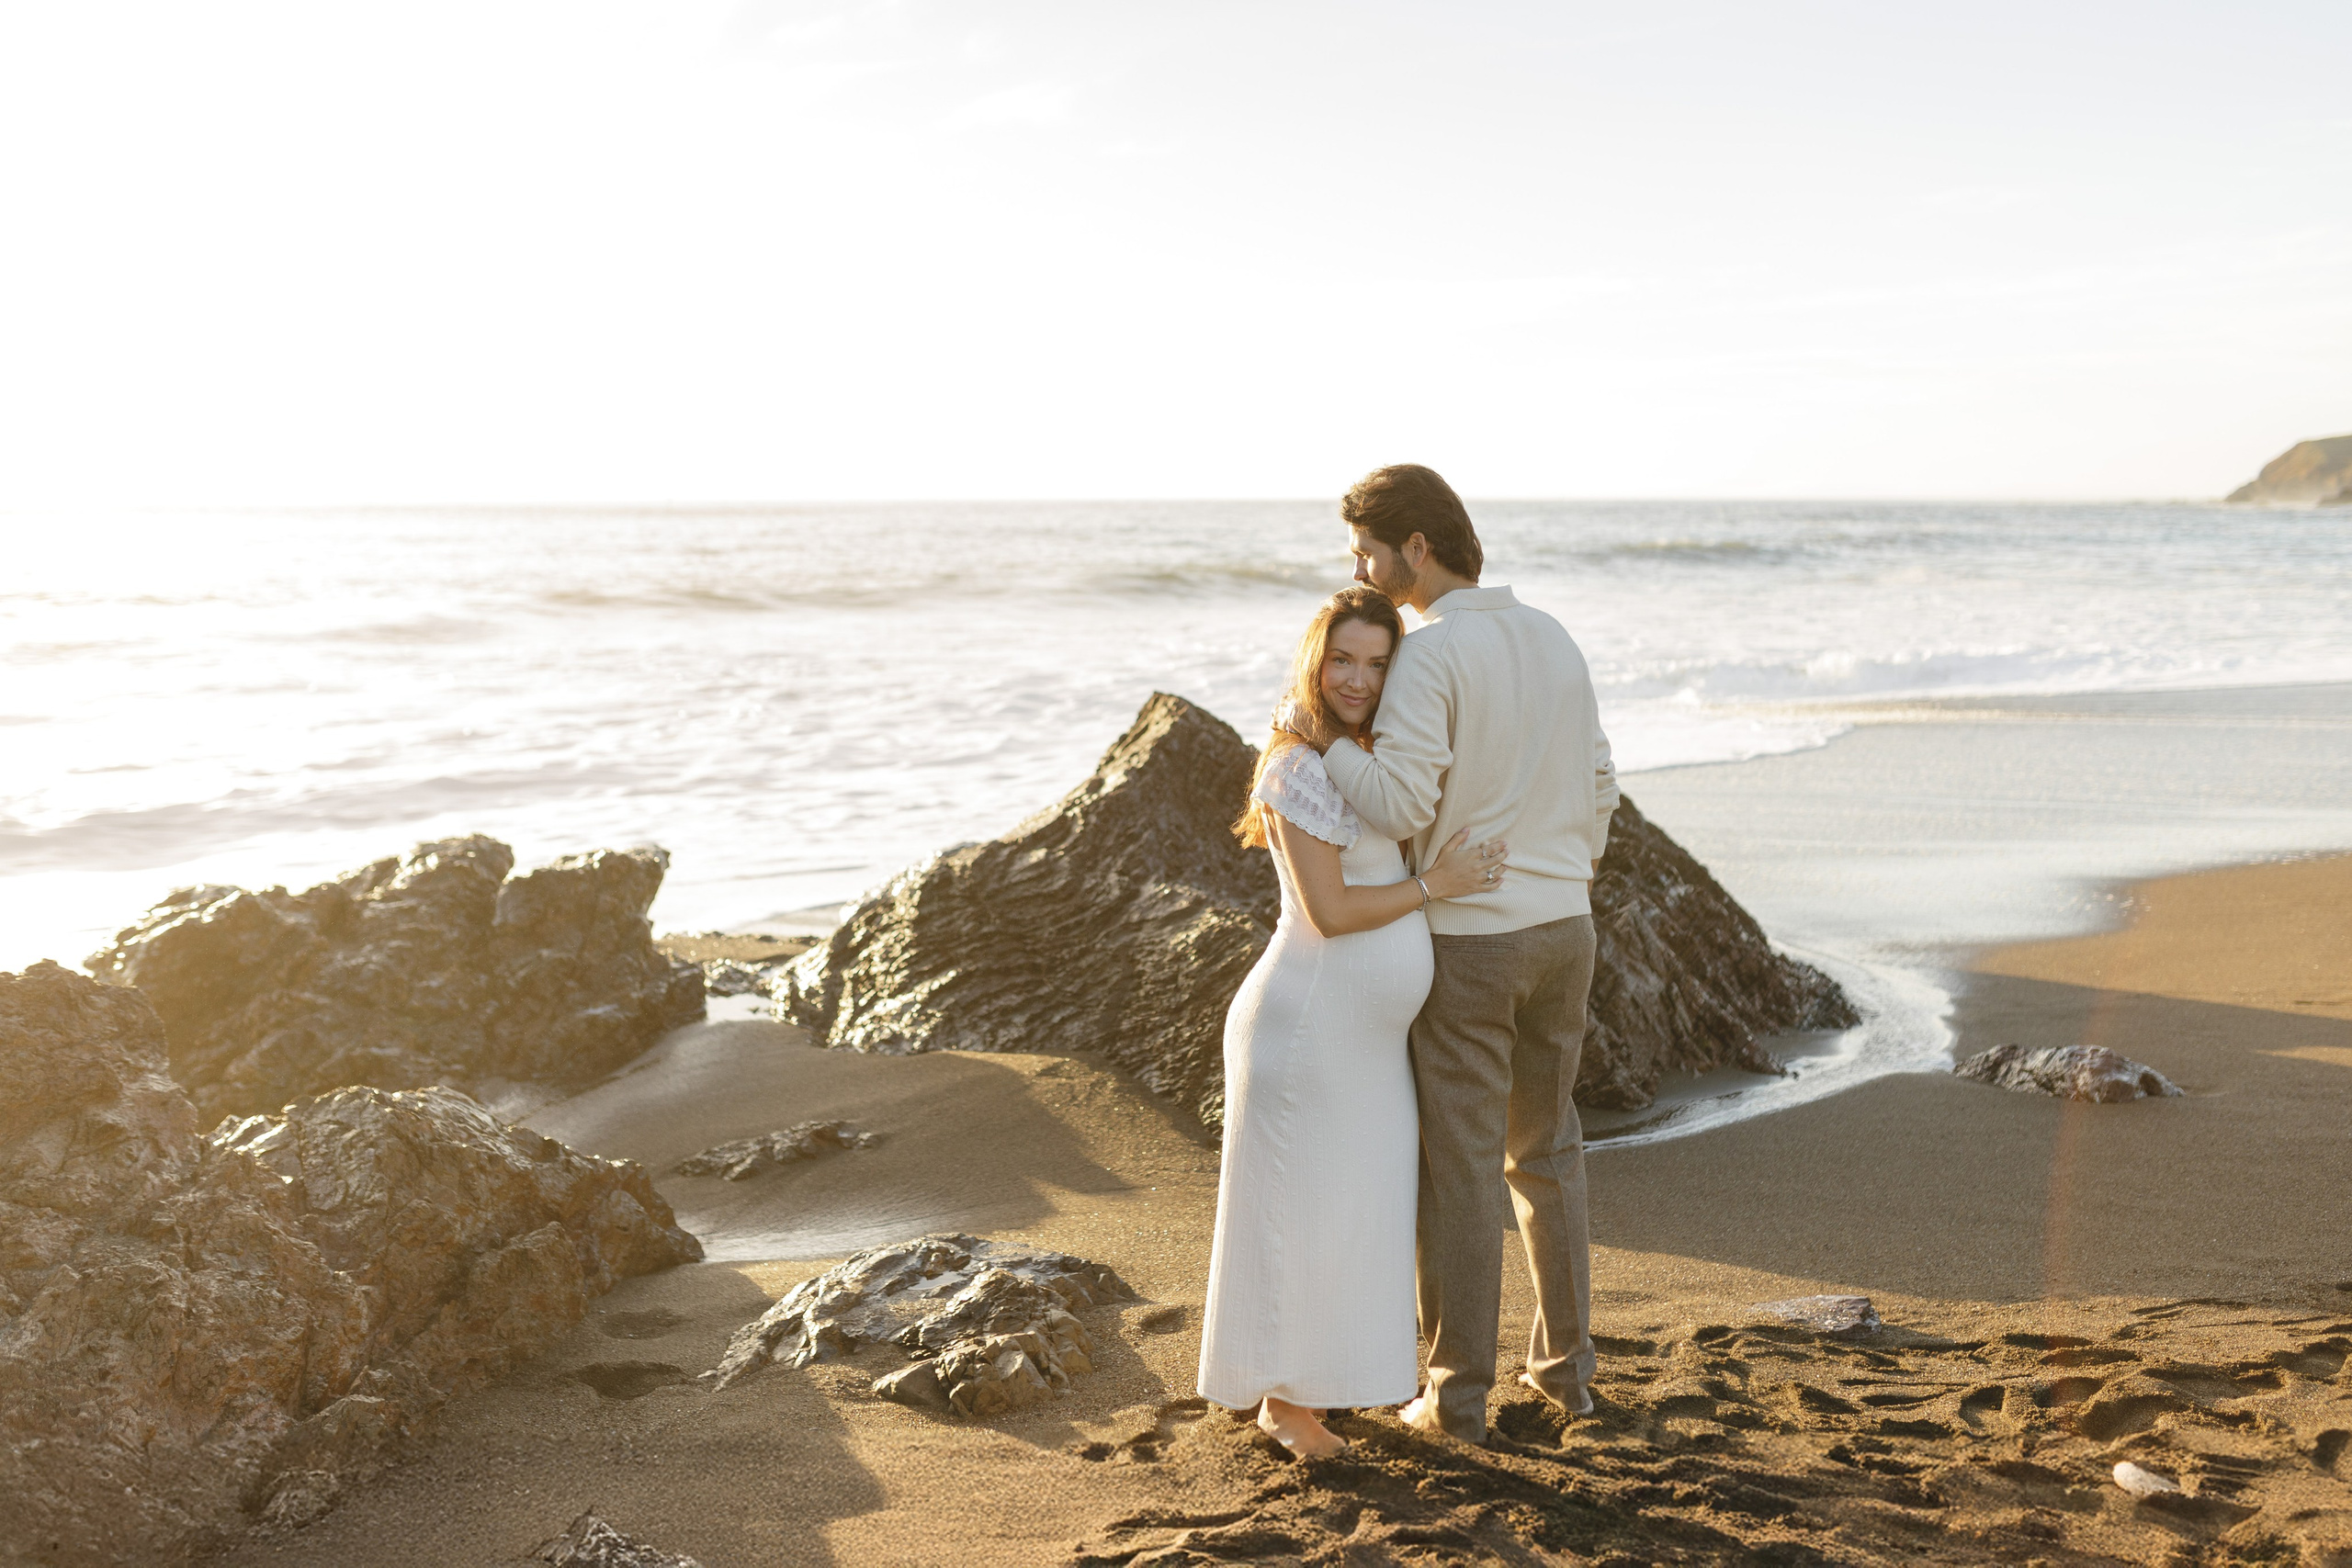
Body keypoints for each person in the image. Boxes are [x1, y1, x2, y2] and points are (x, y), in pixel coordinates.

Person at [1318, 464, 1619, 1446]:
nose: (1358, 569)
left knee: (1458, 1170)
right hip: (1566, 930)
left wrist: (1324, 748)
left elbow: (1402, 804)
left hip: (1475, 942)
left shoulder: (1434, 652)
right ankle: (1566, 1379)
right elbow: (1603, 782)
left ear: (1414, 546)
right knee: (1547, 1154)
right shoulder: (1553, 636)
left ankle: (1452, 1401)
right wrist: (1562, 865)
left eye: (1365, 549)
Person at [1195, 585, 1510, 1459]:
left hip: (1367, 1041)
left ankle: (1316, 1390)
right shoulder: (1293, 765)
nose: (1358, 679)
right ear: (1314, 661)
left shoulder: (1375, 755)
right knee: (1299, 1209)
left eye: (1377, 662)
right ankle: (1285, 1403)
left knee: (1354, 1213)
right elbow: (1329, 909)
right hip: (1308, 1026)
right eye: (1342, 660)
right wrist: (1435, 887)